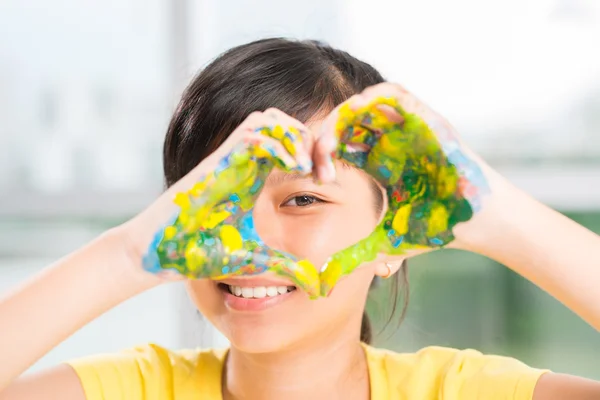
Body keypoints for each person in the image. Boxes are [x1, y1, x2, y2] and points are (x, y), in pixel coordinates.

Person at [1, 38, 599, 400]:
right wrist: (127, 255)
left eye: (302, 199)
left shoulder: (461, 392)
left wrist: (493, 212)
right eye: (217, 198)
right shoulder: (134, 389)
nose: (249, 237)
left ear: (398, 234)